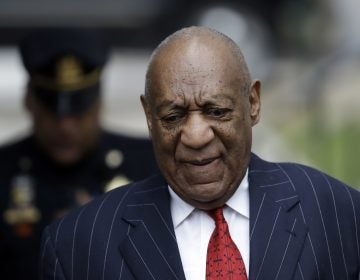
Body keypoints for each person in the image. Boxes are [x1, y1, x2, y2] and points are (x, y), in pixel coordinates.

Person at [39, 26, 360, 280]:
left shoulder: (335, 213)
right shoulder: (78, 245)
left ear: (253, 103)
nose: (195, 136)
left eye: (216, 111)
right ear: (149, 117)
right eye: (173, 117)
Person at [0, 28, 158, 280]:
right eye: (53, 113)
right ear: (29, 101)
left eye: (78, 112)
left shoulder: (149, 166)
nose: (65, 127)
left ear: (98, 104)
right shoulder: (5, 172)